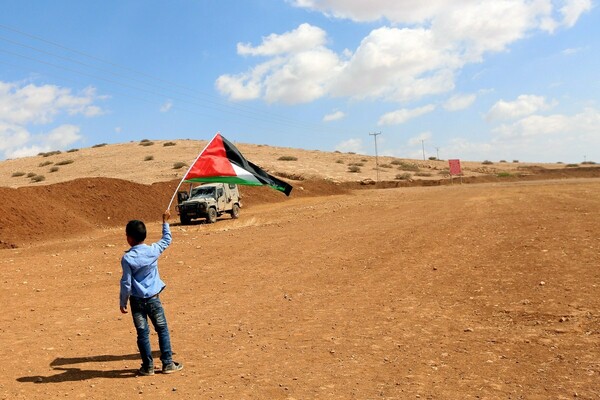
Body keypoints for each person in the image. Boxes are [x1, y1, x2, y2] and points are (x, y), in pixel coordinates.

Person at [119, 210, 183, 376]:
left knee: (142, 333)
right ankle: (168, 363)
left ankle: (147, 367)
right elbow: (167, 240)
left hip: (137, 301)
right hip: (154, 300)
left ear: (129, 238)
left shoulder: (127, 259)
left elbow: (126, 283)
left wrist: (123, 301)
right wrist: (165, 222)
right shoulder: (153, 250)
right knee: (162, 329)